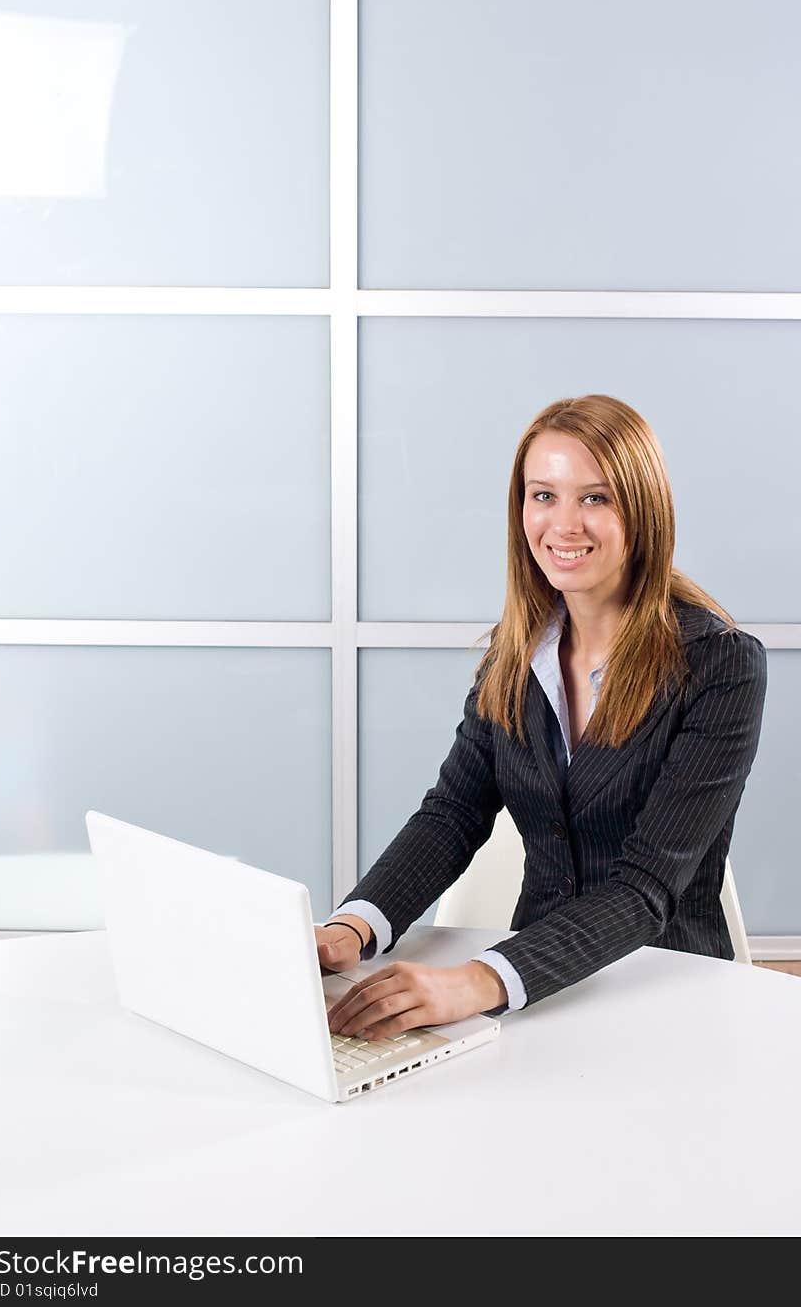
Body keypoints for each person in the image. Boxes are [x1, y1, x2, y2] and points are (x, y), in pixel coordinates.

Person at [318, 394, 768, 1041]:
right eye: (543, 495)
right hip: (536, 990)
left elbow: (644, 887)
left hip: (665, 992)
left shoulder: (720, 667)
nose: (564, 525)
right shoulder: (516, 653)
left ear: (644, 510)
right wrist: (350, 930)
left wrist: (478, 981)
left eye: (595, 498)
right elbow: (451, 814)